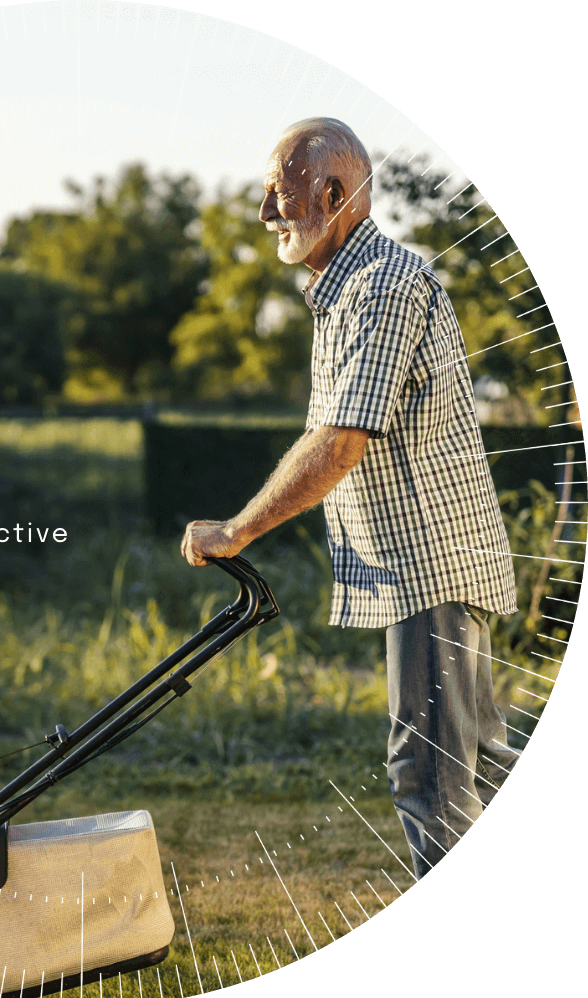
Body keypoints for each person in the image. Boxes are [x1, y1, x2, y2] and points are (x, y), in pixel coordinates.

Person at [180, 118, 520, 881]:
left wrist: (238, 529)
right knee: (481, 768)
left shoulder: (382, 286)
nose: (268, 214)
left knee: (429, 775)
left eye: (281, 195)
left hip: (431, 569)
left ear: (333, 194)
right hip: (425, 569)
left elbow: (339, 440)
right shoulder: (346, 292)